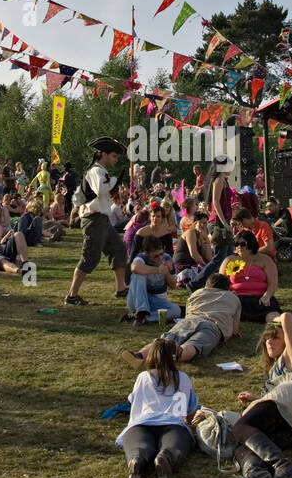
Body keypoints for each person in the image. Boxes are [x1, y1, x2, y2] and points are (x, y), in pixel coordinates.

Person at [225, 312, 292, 478]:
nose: (269, 341)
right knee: (246, 446)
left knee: (240, 427)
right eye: (267, 338)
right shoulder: (277, 368)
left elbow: (288, 318)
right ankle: (257, 473)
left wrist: (274, 321)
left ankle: (284, 465)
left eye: (276, 337)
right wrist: (256, 399)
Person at [116, 338, 200, 478]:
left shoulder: (142, 377)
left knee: (139, 449)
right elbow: (190, 411)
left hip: (141, 424)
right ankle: (165, 459)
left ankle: (137, 461)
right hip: (173, 425)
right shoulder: (182, 378)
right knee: (172, 449)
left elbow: (133, 401)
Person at [66, 137, 130, 305]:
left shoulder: (101, 171)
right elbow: (101, 189)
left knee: (118, 249)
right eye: (114, 156)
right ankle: (72, 295)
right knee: (90, 257)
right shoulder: (96, 170)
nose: (116, 160)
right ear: (104, 155)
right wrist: (115, 182)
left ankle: (121, 288)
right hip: (93, 219)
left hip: (102, 219)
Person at [124, 273, 241, 364]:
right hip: (213, 326)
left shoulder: (197, 293)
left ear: (206, 286)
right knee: (195, 344)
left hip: (190, 320)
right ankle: (174, 356)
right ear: (227, 288)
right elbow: (234, 331)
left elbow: (188, 312)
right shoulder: (233, 298)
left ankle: (139, 355)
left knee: (166, 339)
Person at [220, 230, 282, 322]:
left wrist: (267, 295)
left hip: (260, 298)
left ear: (251, 244)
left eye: (242, 244)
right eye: (236, 244)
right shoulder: (229, 260)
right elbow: (220, 282)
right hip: (236, 298)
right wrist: (228, 293)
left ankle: (279, 321)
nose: (239, 247)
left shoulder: (265, 260)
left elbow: (273, 283)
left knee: (271, 313)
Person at [125, 236, 182, 325]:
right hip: (137, 300)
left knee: (176, 310)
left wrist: (166, 272)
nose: (159, 258)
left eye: (161, 254)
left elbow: (174, 285)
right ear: (147, 254)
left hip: (156, 302)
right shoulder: (141, 258)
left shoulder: (167, 258)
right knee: (138, 274)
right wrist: (158, 270)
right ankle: (141, 311)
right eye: (155, 256)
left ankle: (143, 317)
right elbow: (134, 267)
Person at [207, 154, 237, 231]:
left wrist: (231, 206)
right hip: (217, 223)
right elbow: (215, 202)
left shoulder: (224, 180)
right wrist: (225, 224)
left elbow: (221, 201)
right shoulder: (219, 180)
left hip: (222, 221)